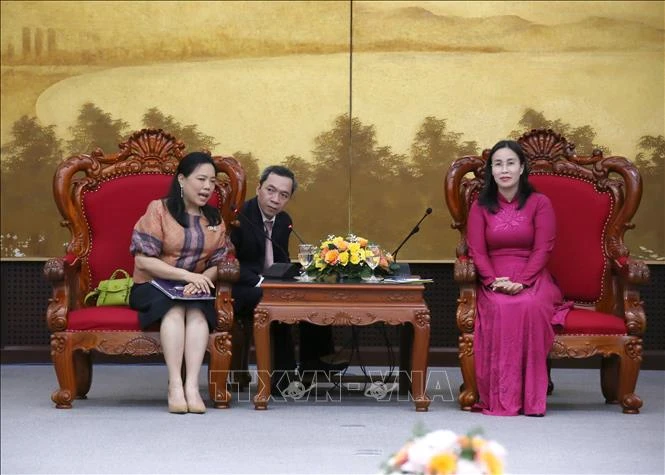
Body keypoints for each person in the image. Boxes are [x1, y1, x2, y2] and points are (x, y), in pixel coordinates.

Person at [467, 140, 572, 416]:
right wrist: (491, 281)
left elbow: (544, 247)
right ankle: (504, 397)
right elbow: (476, 250)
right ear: (491, 170)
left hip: (533, 274)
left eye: (510, 163)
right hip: (494, 276)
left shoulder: (540, 203)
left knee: (528, 305)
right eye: (498, 164)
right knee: (501, 306)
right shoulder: (480, 206)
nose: (504, 169)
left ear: (522, 167)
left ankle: (531, 398)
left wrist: (523, 281)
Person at [231, 165, 347, 393]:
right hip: (242, 286)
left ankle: (313, 364)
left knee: (310, 294)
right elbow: (230, 263)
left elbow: (280, 258)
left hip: (271, 283)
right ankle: (281, 379)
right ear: (259, 188)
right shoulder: (239, 217)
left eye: (283, 195)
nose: (275, 199)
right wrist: (263, 283)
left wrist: (301, 277)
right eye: (270, 190)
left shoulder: (284, 221)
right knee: (277, 303)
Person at [128, 152, 228, 414]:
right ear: (182, 179)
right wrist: (188, 276)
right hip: (153, 285)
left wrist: (204, 279)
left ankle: (192, 387)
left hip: (193, 289)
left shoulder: (215, 219)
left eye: (212, 181)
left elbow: (220, 261)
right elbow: (143, 262)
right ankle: (175, 384)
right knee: (174, 308)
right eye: (201, 179)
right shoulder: (159, 210)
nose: (208, 187)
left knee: (196, 311)